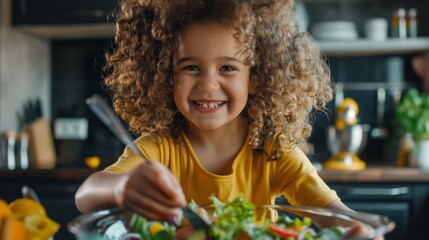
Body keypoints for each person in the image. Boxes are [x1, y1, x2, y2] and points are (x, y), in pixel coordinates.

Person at [76, 0, 364, 232]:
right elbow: (86, 195)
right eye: (190, 67)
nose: (207, 85)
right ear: (166, 75)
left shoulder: (274, 154)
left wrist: (360, 230)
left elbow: (334, 214)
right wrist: (122, 187)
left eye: (227, 68)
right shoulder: (158, 149)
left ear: (256, 78)